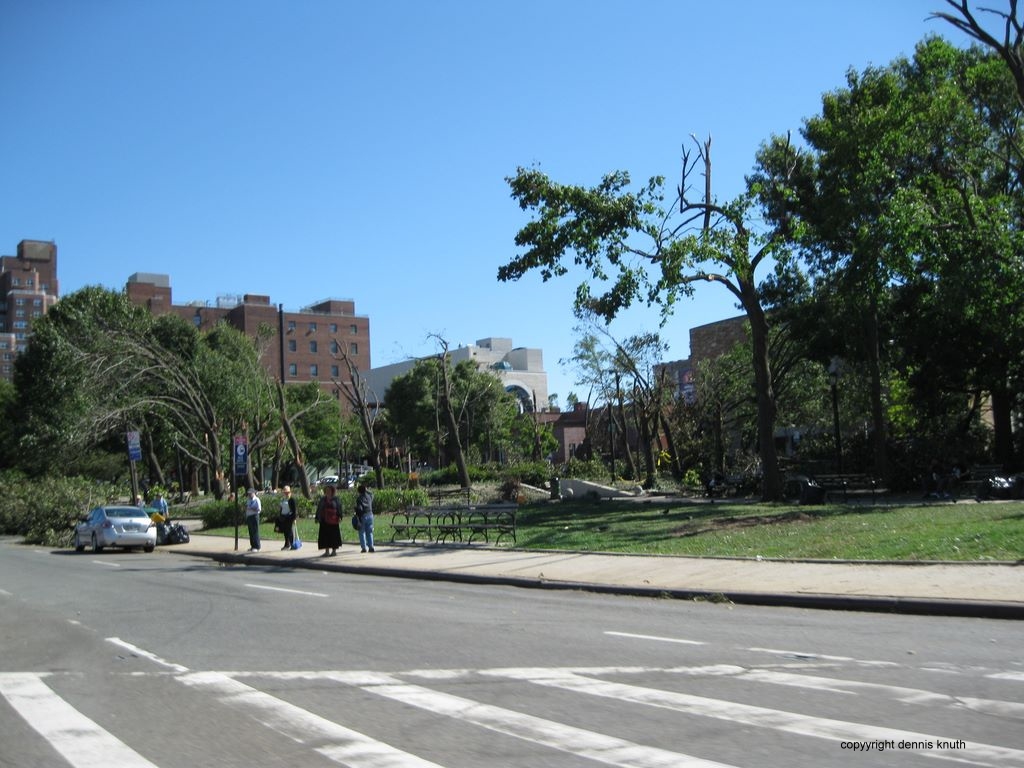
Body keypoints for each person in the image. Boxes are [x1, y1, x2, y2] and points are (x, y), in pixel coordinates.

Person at [316, 484, 342, 557]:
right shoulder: (323, 499)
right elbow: (319, 508)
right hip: (324, 520)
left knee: (334, 536)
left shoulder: (336, 499)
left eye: (329, 490)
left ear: (332, 491)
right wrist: (317, 517)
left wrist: (340, 516)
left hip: (334, 521)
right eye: (326, 490)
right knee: (325, 536)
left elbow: (339, 508)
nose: (327, 491)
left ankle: (334, 551)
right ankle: (326, 551)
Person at [355, 483, 375, 553]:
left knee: (362, 532)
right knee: (369, 532)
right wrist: (367, 490)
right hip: (370, 514)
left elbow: (359, 508)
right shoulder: (369, 496)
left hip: (363, 515)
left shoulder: (359, 498)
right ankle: (371, 546)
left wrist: (356, 511)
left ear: (359, 491)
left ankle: (364, 547)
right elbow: (372, 493)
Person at [278, 485, 297, 550]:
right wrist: (280, 515)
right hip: (283, 517)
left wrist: (294, 518)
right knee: (285, 532)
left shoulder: (291, 499)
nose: (286, 493)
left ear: (290, 492)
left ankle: (292, 545)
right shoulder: (283, 499)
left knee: (289, 532)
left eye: (287, 492)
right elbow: (281, 508)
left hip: (289, 517)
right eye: (285, 492)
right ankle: (287, 545)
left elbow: (294, 510)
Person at [245, 488, 262, 552]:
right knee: (251, 532)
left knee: (255, 532)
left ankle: (257, 546)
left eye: (250, 493)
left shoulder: (256, 500)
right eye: (248, 493)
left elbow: (259, 509)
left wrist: (251, 508)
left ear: (254, 493)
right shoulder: (248, 500)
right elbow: (247, 507)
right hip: (249, 516)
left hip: (254, 516)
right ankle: (252, 546)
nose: (249, 495)